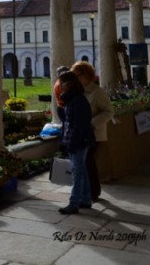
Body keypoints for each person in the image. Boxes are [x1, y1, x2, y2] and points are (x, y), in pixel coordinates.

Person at [71, 61, 114, 201]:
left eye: (76, 75)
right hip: (82, 134)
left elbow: (109, 111)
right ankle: (89, 191)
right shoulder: (79, 91)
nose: (74, 78)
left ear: (85, 75)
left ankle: (93, 192)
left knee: (88, 162)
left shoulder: (97, 92)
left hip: (94, 134)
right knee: (85, 163)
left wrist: (91, 124)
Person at [57, 70, 95, 214]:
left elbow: (79, 125)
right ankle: (85, 199)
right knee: (82, 170)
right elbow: (68, 121)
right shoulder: (71, 99)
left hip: (78, 141)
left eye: (62, 84)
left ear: (70, 84)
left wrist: (71, 144)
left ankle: (74, 203)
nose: (60, 87)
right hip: (76, 140)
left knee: (77, 172)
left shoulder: (78, 100)